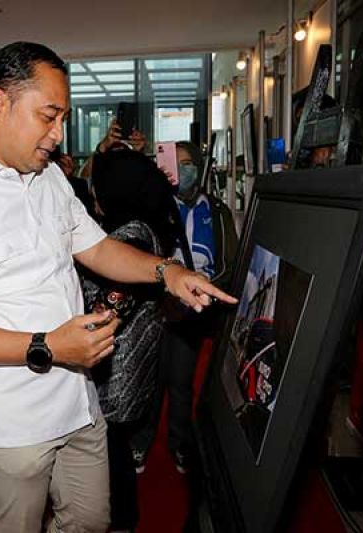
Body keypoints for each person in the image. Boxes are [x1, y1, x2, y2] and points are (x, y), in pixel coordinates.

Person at [0, 41, 234, 532]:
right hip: (6, 425)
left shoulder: (49, 180)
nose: (59, 135)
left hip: (78, 403)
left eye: (63, 118)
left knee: (91, 522)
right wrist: (49, 347)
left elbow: (97, 249)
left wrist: (167, 272)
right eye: (48, 116)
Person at [85, 147, 177, 531]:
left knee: (111, 457)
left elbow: (105, 316)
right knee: (117, 451)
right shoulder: (149, 224)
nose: (93, 195)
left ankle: (121, 522)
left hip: (116, 370)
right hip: (133, 365)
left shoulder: (130, 236)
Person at [132, 140, 238, 474]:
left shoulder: (217, 212)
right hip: (157, 308)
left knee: (181, 380)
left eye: (188, 162)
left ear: (201, 165)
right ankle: (140, 442)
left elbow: (229, 262)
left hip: (193, 312)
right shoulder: (156, 207)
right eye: (176, 163)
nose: (183, 169)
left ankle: (180, 443)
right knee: (150, 380)